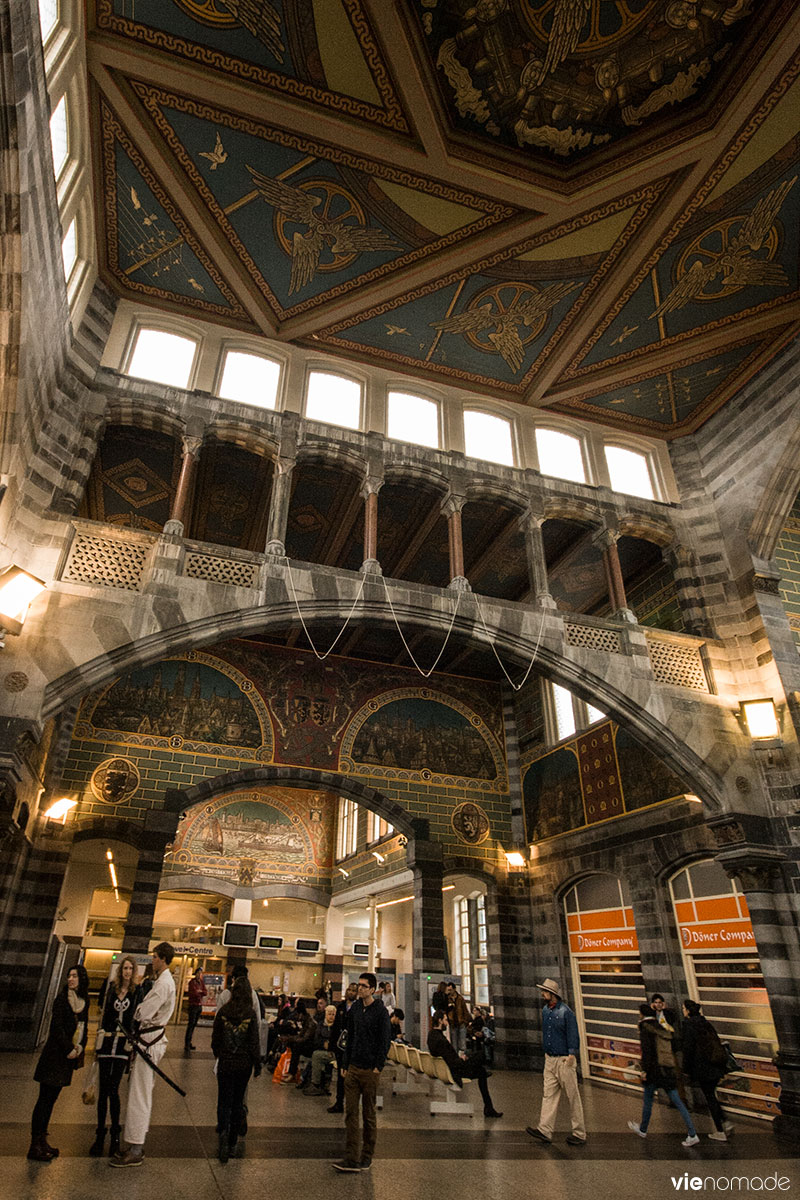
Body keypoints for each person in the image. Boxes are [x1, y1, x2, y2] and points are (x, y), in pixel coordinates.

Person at [111, 941, 177, 1167]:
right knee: (141, 1091)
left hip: (150, 1041)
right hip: (149, 1040)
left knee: (140, 1093)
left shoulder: (163, 984)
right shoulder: (163, 981)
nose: (152, 960)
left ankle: (136, 1147)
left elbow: (143, 1012)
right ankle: (134, 1142)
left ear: (163, 958)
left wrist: (139, 1010)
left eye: (155, 957)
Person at [28, 964, 90, 1162]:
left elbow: (84, 1027)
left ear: (81, 979)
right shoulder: (62, 1000)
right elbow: (56, 1028)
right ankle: (34, 1145)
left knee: (51, 1101)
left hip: (67, 1060)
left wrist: (80, 1047)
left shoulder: (83, 1002)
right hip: (54, 1057)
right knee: (44, 1101)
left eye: (74, 976)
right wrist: (68, 1049)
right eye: (69, 976)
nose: (70, 979)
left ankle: (42, 1140)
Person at [332, 971, 392, 1173]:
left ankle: (367, 1156)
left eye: (364, 986)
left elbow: (385, 1041)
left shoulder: (380, 1012)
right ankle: (350, 1157)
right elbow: (349, 1037)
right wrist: (345, 1063)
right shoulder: (355, 1009)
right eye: (359, 985)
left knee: (368, 1114)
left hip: (369, 1070)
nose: (360, 988)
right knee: (351, 1113)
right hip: (353, 1068)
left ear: (373, 990)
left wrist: (378, 1067)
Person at [627, 1002, 699, 1147]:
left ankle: (643, 1129)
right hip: (666, 1070)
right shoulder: (660, 1027)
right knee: (677, 1101)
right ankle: (692, 1133)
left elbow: (648, 1053)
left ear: (642, 1014)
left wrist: (644, 1070)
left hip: (654, 1072)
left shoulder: (646, 1029)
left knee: (648, 1100)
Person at [526, 978, 586, 1147]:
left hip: (564, 1059)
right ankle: (544, 1130)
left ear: (552, 994)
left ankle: (579, 1133)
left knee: (572, 1097)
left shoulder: (566, 1012)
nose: (542, 994)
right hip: (550, 1059)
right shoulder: (546, 1011)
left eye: (544, 992)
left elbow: (573, 1033)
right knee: (548, 1095)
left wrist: (572, 1053)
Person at [91, 955, 141, 1157]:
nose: (127, 972)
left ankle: (115, 1135)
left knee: (114, 1089)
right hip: (107, 1043)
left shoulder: (137, 992)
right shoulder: (110, 989)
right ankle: (100, 1133)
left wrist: (134, 1042)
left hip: (122, 1046)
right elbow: (103, 1015)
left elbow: (136, 1019)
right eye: (125, 968)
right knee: (104, 1090)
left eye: (130, 968)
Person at [211, 975, 262, 1162]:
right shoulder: (250, 1014)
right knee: (238, 1102)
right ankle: (233, 1143)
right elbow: (254, 1043)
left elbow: (215, 1038)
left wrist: (219, 1054)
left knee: (223, 1101)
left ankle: (222, 1134)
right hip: (243, 1065)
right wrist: (257, 1065)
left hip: (226, 1063)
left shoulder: (224, 1011)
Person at [428, 1011, 502, 1118]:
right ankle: (488, 1108)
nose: (447, 1023)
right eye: (445, 1020)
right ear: (439, 1021)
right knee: (481, 1055)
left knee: (481, 1071)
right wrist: (462, 1060)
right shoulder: (440, 1040)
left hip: (450, 1068)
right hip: (457, 1070)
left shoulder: (432, 1036)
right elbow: (453, 1062)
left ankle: (489, 1107)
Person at [681, 999, 734, 1141]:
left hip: (703, 1067)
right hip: (715, 1064)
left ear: (687, 1011)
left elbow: (688, 1049)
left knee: (710, 1097)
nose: (683, 1011)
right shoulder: (705, 1023)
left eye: (683, 1008)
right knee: (712, 1095)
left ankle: (720, 1130)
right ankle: (725, 1122)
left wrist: (685, 1068)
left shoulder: (688, 1026)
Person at [328, 982, 358, 1114]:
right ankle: (339, 1102)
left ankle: (352, 1104)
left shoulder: (358, 1008)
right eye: (349, 990)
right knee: (341, 1077)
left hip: (352, 1047)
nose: (350, 992)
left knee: (351, 1078)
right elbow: (334, 1028)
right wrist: (331, 1046)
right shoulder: (340, 1007)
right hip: (340, 1047)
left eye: (353, 990)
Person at [305, 1003, 338, 1095]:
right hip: (322, 1050)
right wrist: (324, 1044)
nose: (331, 1016)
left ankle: (315, 1083)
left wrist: (330, 1047)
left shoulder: (337, 1027)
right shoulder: (320, 1025)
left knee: (316, 1056)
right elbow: (316, 1040)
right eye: (329, 1014)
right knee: (316, 1055)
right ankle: (316, 1083)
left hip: (334, 1053)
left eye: (333, 1014)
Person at [184, 967, 206, 1052]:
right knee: (191, 1024)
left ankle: (190, 1042)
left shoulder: (201, 982)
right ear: (195, 973)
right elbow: (194, 993)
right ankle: (187, 1043)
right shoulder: (192, 982)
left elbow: (205, 992)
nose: (199, 975)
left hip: (199, 1005)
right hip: (193, 1005)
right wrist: (200, 992)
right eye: (198, 973)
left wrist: (200, 991)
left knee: (194, 1025)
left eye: (201, 973)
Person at [445, 981, 470, 1053]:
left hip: (461, 1022)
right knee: (454, 1043)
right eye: (448, 990)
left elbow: (465, 1010)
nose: (450, 991)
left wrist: (465, 1021)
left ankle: (462, 1057)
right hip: (453, 1023)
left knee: (462, 1043)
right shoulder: (447, 999)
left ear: (454, 989)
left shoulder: (460, 998)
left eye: (451, 990)